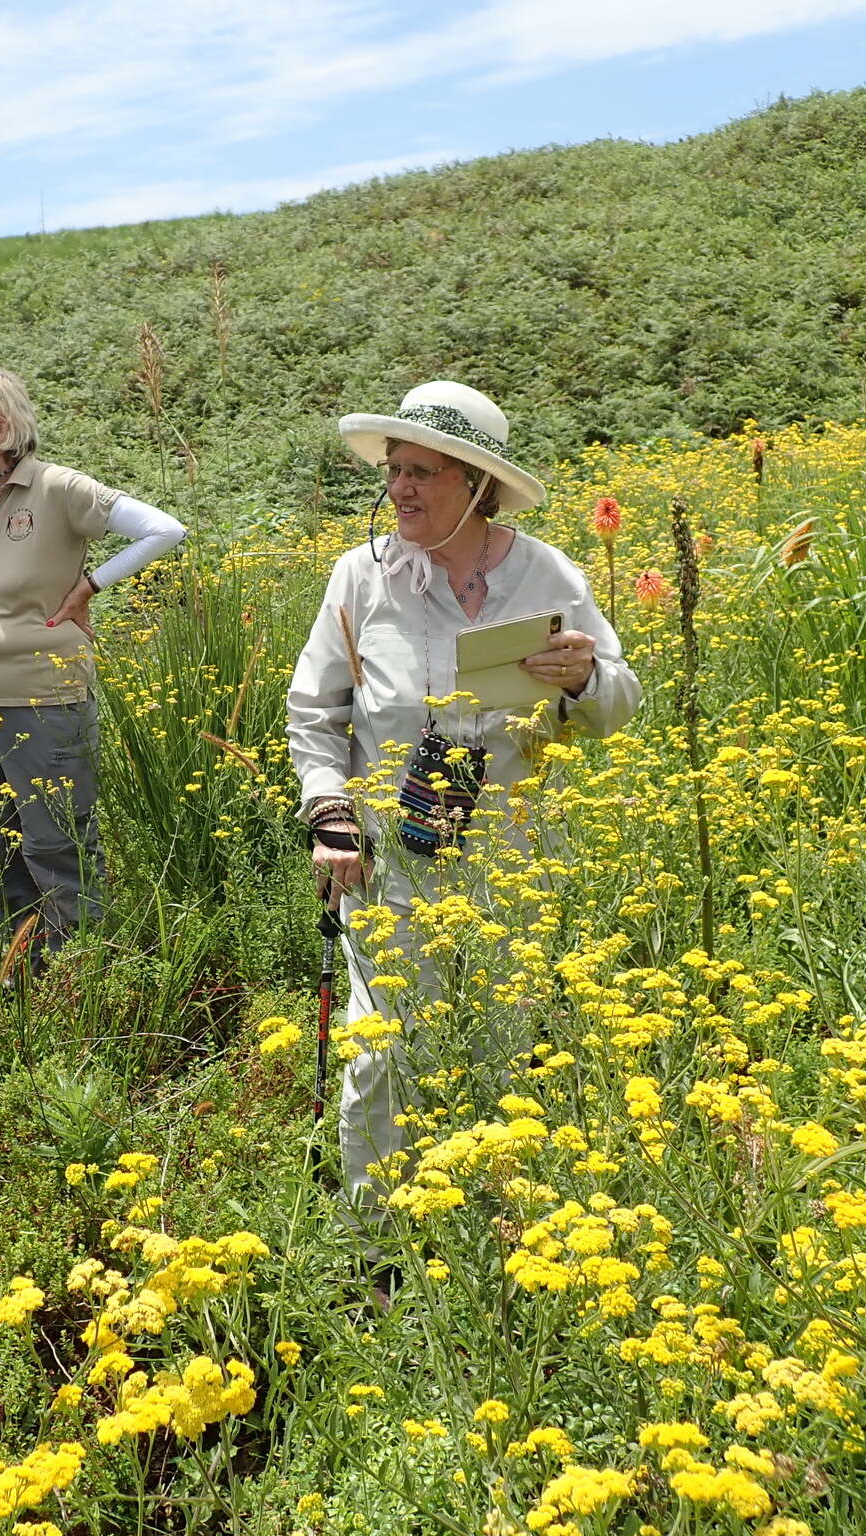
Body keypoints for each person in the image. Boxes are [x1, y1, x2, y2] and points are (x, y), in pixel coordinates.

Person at [286, 380, 642, 1213]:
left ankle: (483, 1230)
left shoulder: (548, 574)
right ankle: (383, 1247)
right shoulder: (360, 578)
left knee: (499, 1042)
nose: (401, 490)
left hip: (509, 858)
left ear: (478, 487)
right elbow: (314, 712)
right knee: (383, 1054)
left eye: (424, 473)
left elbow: (620, 703)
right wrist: (330, 813)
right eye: (395, 470)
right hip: (389, 863)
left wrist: (586, 675)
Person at [0, 360, 186, 967]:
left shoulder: (59, 489)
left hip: (45, 694)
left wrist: (90, 584)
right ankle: (22, 977)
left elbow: (164, 530)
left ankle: (80, 979)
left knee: (57, 844)